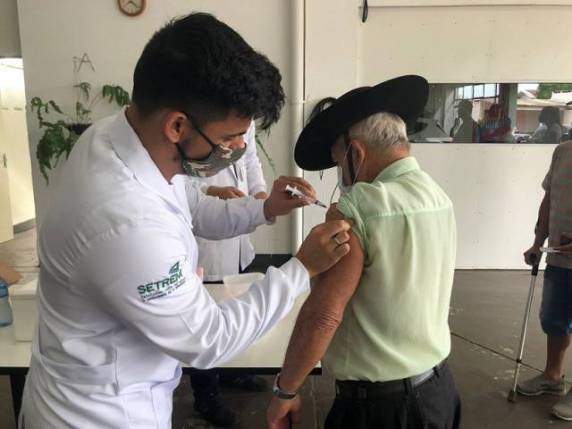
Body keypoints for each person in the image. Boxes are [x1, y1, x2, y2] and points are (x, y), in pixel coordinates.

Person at [19, 13, 352, 429]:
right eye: (229, 138)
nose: (237, 148)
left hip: (106, 385)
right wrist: (301, 268)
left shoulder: (115, 137)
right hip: (100, 414)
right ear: (177, 125)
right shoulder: (125, 220)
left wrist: (265, 208)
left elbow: (192, 206)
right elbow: (209, 339)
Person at [266, 75, 460, 429]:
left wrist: (286, 390)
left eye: (339, 162)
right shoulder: (437, 195)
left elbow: (324, 315)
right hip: (439, 393)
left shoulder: (358, 206)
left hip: (380, 410)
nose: (341, 174)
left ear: (356, 153)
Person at [188, 123, 269, 427]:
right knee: (205, 319)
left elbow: (250, 159)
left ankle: (233, 371)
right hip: (206, 232)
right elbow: (179, 178)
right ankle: (206, 395)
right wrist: (211, 190)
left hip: (237, 229)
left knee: (235, 304)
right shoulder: (195, 117)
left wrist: (260, 194)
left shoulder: (245, 120)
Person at [519, 141, 572, 421]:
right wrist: (538, 241)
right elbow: (550, 198)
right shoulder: (563, 151)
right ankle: (552, 376)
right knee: (554, 318)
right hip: (558, 256)